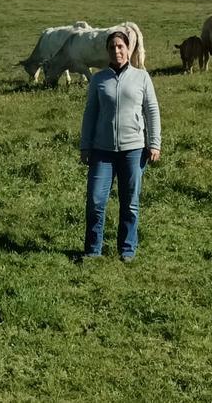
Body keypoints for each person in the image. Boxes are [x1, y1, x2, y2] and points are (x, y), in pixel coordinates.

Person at [79, 30, 161, 262]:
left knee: (130, 203)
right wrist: (85, 146)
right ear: (107, 51)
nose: (117, 51)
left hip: (134, 149)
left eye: (120, 46)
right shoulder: (98, 79)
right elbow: (90, 113)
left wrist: (154, 143)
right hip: (101, 151)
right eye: (112, 47)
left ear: (129, 49)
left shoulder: (142, 77)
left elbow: (151, 111)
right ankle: (93, 250)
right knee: (95, 201)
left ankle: (127, 249)